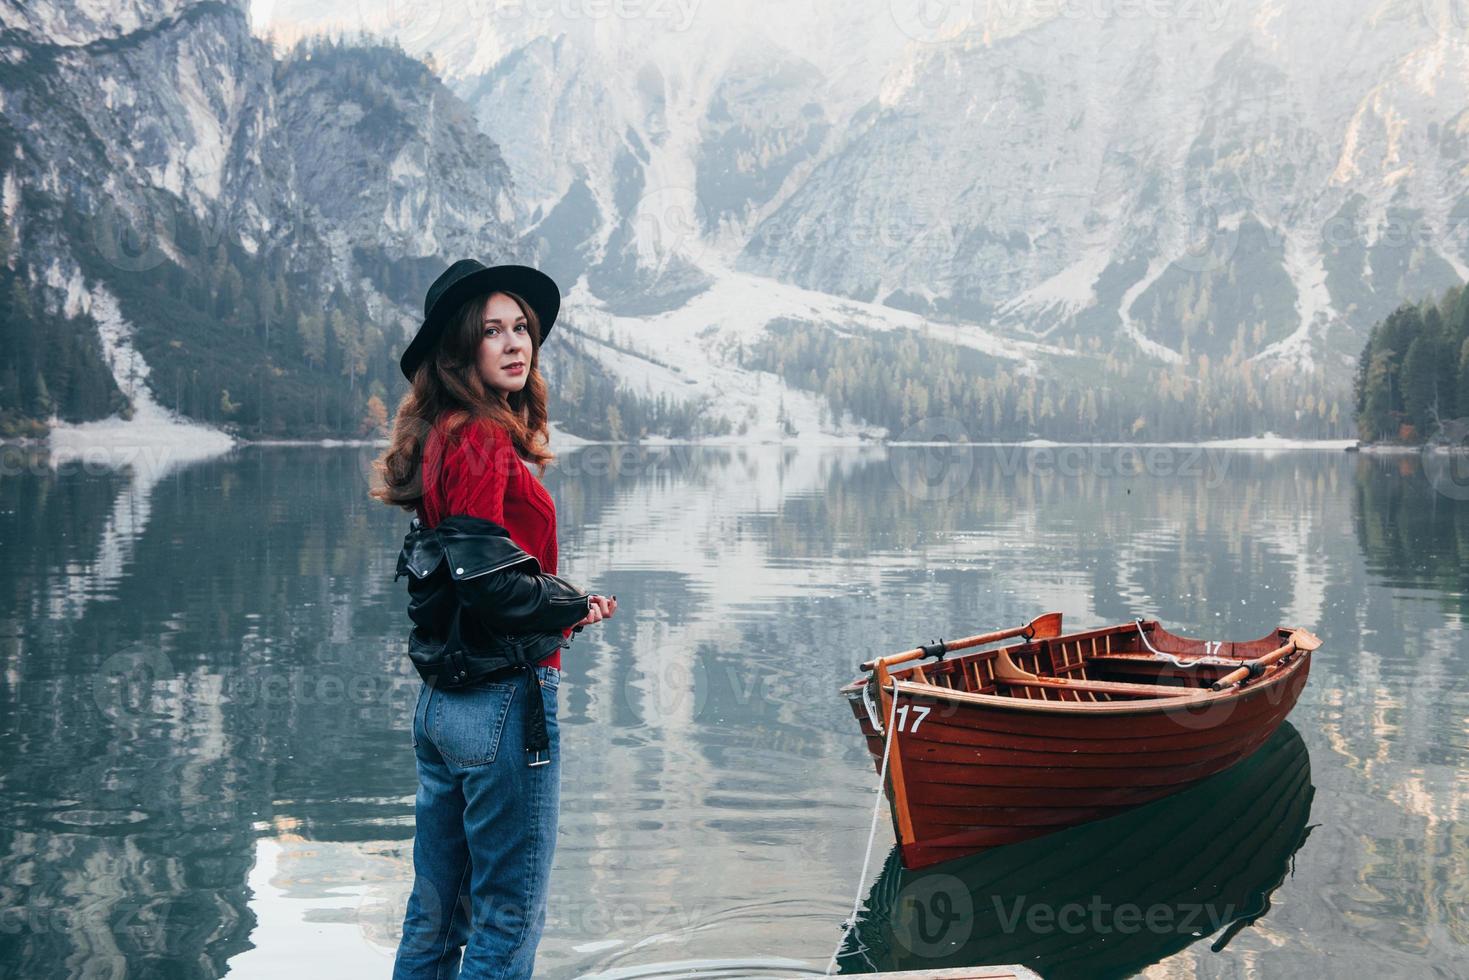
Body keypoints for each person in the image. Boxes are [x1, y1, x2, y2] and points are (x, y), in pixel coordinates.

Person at [369, 258, 617, 979]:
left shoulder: (444, 432)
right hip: (504, 700)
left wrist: (564, 608)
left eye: (521, 329)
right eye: (492, 331)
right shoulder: (478, 436)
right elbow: (488, 587)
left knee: (437, 913)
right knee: (508, 917)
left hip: (443, 706)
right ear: (458, 348)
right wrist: (571, 605)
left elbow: (468, 572)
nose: (515, 344)